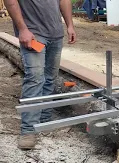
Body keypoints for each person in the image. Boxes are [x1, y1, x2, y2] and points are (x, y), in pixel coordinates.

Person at [4, 0, 76, 150]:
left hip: (56, 34)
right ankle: (28, 130)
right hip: (33, 34)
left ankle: (44, 118)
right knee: (35, 79)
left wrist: (69, 25)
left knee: (50, 78)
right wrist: (22, 29)